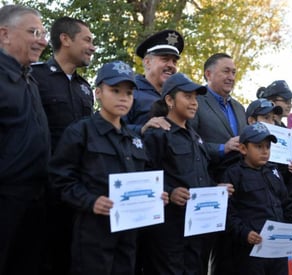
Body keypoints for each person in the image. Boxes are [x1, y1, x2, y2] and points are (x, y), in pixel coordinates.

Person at [49, 61, 168, 275]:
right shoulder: (81, 132)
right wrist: (90, 201)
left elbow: (144, 179)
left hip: (129, 232)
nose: (123, 98)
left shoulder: (134, 139)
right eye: (115, 90)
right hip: (93, 231)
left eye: (129, 93)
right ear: (98, 93)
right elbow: (60, 179)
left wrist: (157, 197)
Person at [142, 73, 230, 274]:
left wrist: (215, 189)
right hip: (168, 229)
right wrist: (170, 191)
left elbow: (200, 175)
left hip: (197, 226)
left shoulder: (195, 136)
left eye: (195, 98)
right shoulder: (157, 134)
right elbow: (143, 174)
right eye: (187, 97)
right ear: (170, 100)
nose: (194, 103)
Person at [31, 16, 96, 275]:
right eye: (87, 40)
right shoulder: (35, 77)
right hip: (41, 190)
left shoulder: (84, 87)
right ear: (65, 39)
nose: (92, 47)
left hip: (77, 189)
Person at [0, 5, 49, 275]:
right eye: (33, 32)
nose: (42, 40)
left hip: (35, 198)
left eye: (42, 33)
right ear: (4, 34)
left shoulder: (29, 80)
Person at [190, 53, 247, 274]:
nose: (231, 76)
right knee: (205, 254)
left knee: (232, 255)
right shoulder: (197, 102)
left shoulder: (240, 108)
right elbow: (192, 143)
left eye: (233, 72)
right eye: (226, 71)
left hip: (238, 191)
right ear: (208, 74)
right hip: (209, 186)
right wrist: (223, 147)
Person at [225, 122, 292, 275]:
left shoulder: (273, 171)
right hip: (250, 251)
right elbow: (229, 212)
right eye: (258, 146)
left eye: (267, 147)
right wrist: (244, 233)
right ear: (243, 148)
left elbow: (286, 204)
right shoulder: (234, 174)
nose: (264, 151)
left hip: (278, 249)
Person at [126, 29, 184, 135]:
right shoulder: (130, 92)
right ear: (148, 62)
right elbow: (111, 128)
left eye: (174, 61)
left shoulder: (178, 97)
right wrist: (142, 129)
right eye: (165, 59)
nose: (171, 65)